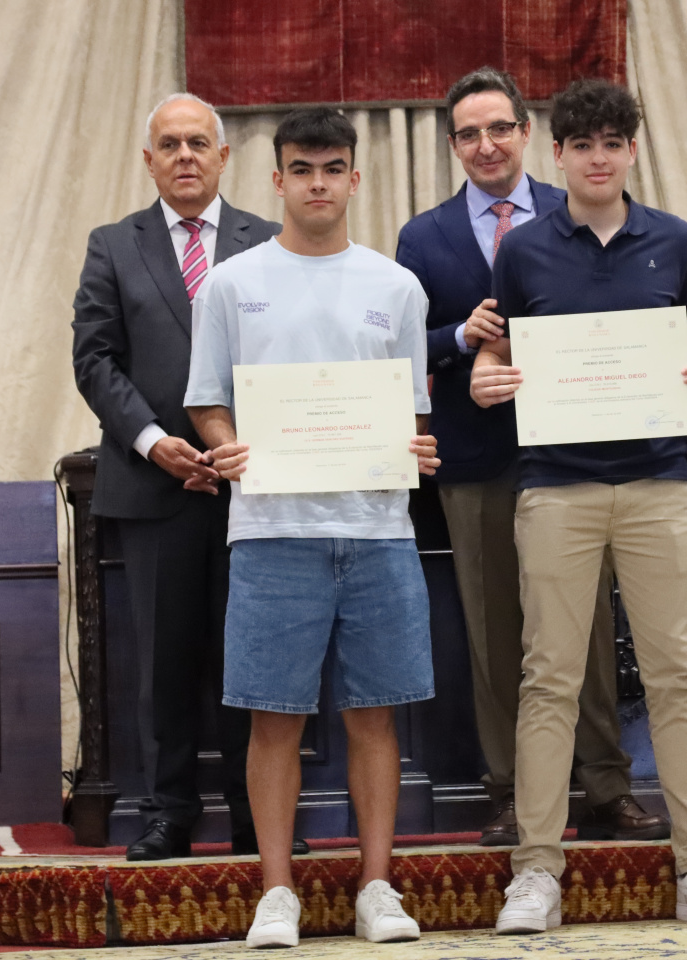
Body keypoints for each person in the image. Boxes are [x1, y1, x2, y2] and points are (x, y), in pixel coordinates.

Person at [469, 79, 687, 933]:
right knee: (548, 678)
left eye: (613, 143)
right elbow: (491, 358)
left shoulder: (672, 240)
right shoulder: (521, 251)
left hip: (660, 485)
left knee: (676, 674)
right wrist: (489, 382)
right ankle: (537, 871)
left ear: (632, 150)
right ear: (556, 155)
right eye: (582, 145)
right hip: (553, 487)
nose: (598, 158)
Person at [184, 108, 440, 948]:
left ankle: (375, 885)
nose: (318, 183)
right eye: (303, 169)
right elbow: (208, 397)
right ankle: (277, 891)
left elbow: (410, 411)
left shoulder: (396, 286)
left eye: (333, 168)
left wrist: (416, 449)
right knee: (272, 718)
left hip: (376, 531)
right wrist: (229, 450)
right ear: (277, 179)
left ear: (355, 179)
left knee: (374, 715)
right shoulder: (231, 283)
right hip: (270, 530)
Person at [393, 66, 663, 848]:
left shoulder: (573, 208)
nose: (487, 145)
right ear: (454, 145)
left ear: (526, 133)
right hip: (477, 461)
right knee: (496, 634)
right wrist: (459, 338)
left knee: (585, 631)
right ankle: (514, 791)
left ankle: (607, 787)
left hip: (580, 453)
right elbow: (406, 349)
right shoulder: (424, 235)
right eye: (470, 133)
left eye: (500, 128)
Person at [71, 92, 292, 862]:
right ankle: (166, 814)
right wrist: (157, 441)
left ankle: (253, 816)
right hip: (155, 486)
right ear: (149, 160)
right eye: (170, 144)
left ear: (226, 157)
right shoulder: (113, 245)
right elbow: (94, 360)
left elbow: (287, 360)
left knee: (251, 661)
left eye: (199, 142)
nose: (186, 156)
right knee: (163, 665)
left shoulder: (270, 241)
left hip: (252, 487)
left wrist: (238, 443)